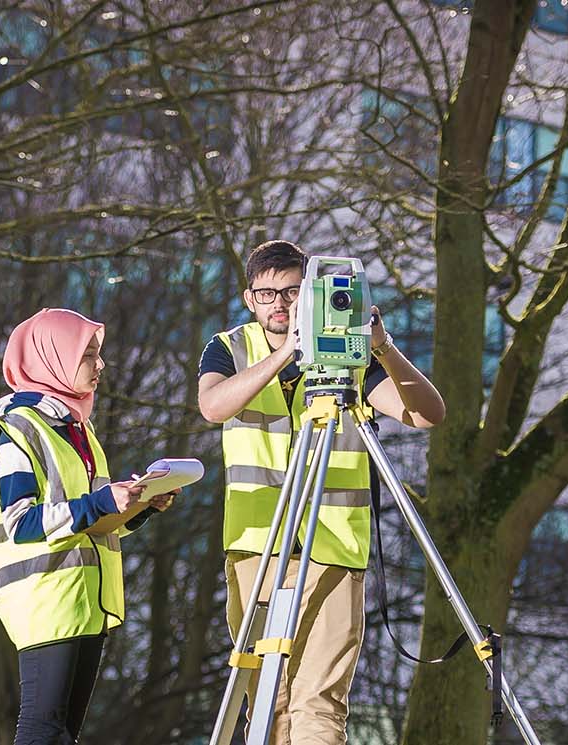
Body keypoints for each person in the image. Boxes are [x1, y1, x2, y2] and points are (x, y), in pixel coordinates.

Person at [197, 240, 446, 744]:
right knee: (268, 700)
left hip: (331, 546)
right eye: (267, 295)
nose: (280, 306)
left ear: (309, 292)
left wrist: (381, 347)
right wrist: (291, 350)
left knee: (320, 700)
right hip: (257, 546)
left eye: (292, 292)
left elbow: (425, 414)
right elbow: (214, 406)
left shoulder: (349, 350)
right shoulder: (229, 347)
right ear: (250, 299)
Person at [0, 308, 178, 745]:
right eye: (88, 354)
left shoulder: (79, 431)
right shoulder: (15, 429)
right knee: (42, 729)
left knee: (62, 734)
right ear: (53, 359)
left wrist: (139, 507)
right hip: (46, 599)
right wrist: (100, 502)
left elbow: (95, 524)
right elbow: (21, 523)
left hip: (86, 602)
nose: (100, 364)